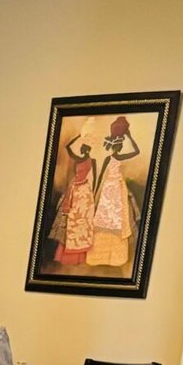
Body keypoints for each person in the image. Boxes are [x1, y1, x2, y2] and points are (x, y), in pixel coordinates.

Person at [88, 116, 142, 272]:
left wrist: (128, 135)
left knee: (119, 221)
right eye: (117, 145)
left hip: (117, 189)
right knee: (104, 222)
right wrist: (95, 193)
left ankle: (116, 257)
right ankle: (100, 256)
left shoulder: (116, 157)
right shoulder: (109, 158)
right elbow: (100, 175)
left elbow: (136, 151)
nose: (118, 148)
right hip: (109, 190)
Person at [48, 136, 96, 268]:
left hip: (84, 192)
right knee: (70, 222)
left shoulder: (91, 161)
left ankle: (79, 257)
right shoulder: (79, 159)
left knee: (80, 223)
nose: (80, 149)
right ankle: (66, 256)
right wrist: (79, 137)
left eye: (83, 148)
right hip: (75, 188)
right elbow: (69, 148)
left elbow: (94, 177)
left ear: (87, 150)